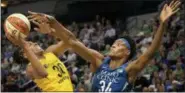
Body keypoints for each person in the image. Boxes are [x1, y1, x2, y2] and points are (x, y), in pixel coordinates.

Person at [28, 0, 181, 91]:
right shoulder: (98, 61)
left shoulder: (129, 70)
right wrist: (54, 22)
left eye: (119, 44)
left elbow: (149, 53)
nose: (114, 45)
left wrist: (162, 24)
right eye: (114, 43)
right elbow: (72, 41)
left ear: (126, 52)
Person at [5, 23, 73, 91]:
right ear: (25, 54)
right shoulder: (30, 68)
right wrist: (23, 44)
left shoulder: (50, 52)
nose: (35, 43)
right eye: (30, 44)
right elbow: (43, 73)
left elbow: (69, 40)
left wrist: (52, 31)